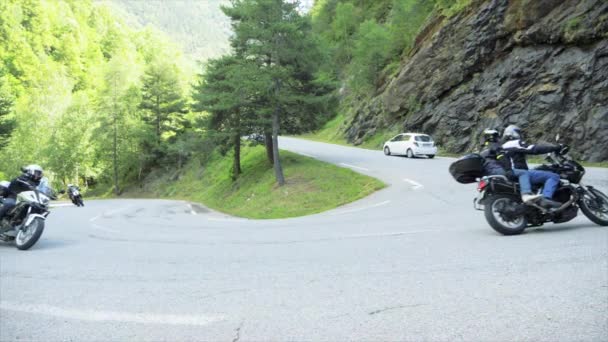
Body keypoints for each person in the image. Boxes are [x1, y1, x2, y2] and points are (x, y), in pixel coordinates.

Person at [501, 125, 563, 208]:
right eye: (519, 133)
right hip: (518, 172)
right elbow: (533, 149)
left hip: (511, 172)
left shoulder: (503, 146)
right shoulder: (514, 143)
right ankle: (546, 198)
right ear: (514, 133)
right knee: (554, 176)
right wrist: (554, 148)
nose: (521, 135)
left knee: (538, 170)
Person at [478, 129, 543, 203]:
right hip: (496, 170)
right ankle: (526, 194)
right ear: (492, 137)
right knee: (523, 173)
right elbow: (501, 157)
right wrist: (508, 169)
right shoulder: (494, 145)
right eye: (496, 136)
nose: (498, 138)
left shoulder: (482, 150)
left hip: (487, 174)